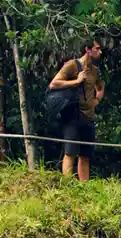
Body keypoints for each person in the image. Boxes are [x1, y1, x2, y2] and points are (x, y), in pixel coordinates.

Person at [49, 39, 105, 182]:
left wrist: (96, 101)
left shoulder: (94, 70)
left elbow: (100, 88)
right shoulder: (72, 65)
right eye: (97, 48)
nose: (100, 52)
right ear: (88, 49)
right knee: (70, 152)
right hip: (73, 115)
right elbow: (54, 84)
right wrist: (76, 81)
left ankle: (83, 187)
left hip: (89, 116)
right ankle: (68, 185)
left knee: (85, 155)